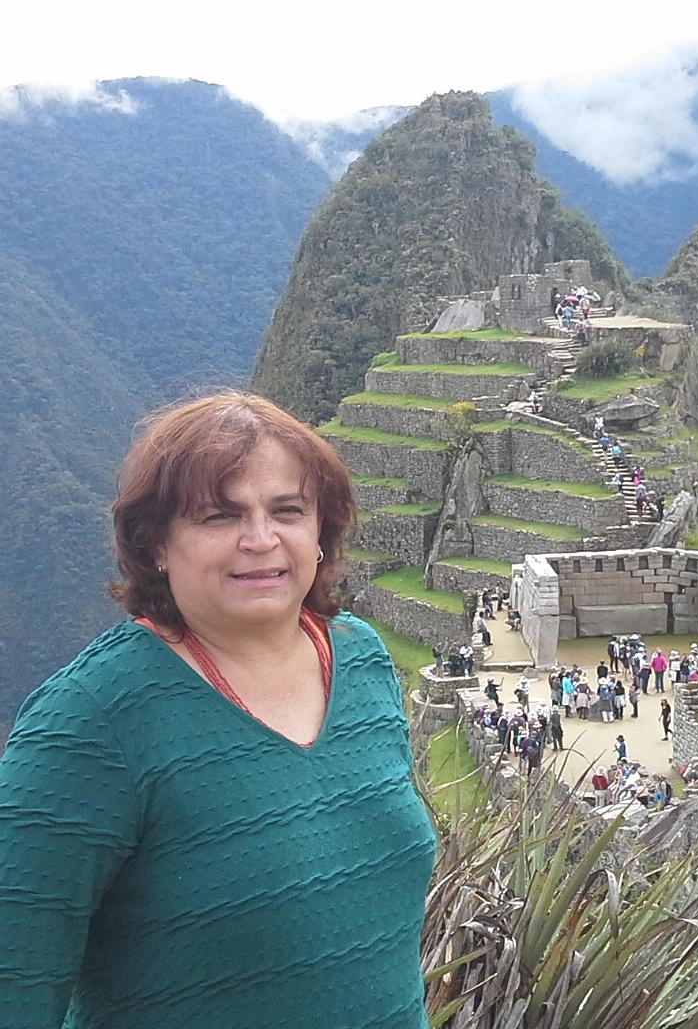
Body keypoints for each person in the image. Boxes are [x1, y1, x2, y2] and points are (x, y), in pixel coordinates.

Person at [0, 392, 435, 1028]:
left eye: (287, 510)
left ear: (322, 532)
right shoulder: (92, 719)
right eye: (216, 517)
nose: (260, 540)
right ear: (155, 545)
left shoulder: (361, 659)